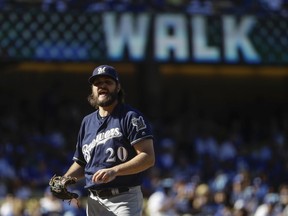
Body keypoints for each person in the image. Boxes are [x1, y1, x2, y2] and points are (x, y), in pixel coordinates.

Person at [61, 65, 155, 216]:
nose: (102, 86)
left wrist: (115, 171)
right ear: (92, 89)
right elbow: (81, 162)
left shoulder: (130, 117)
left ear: (117, 87)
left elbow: (148, 157)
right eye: (97, 83)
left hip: (124, 198)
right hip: (93, 201)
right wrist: (65, 179)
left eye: (107, 82)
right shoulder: (87, 122)